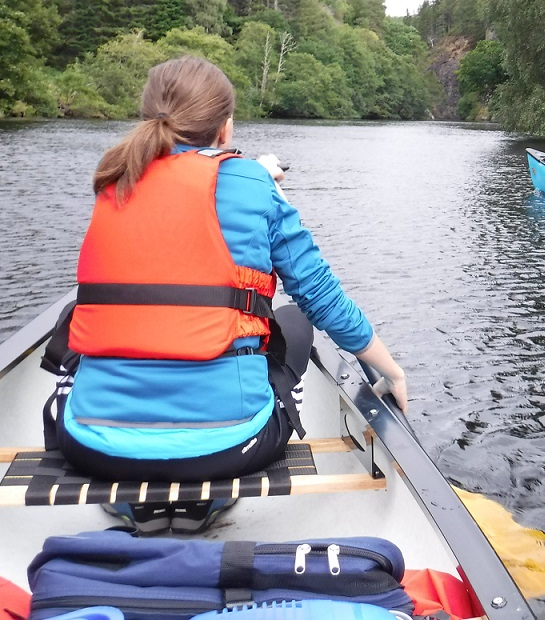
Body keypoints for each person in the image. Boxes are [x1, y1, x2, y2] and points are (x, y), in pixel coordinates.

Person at [56, 56, 408, 532]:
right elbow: (320, 295)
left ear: (149, 121)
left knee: (78, 318)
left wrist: (252, 176)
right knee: (294, 322)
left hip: (93, 448)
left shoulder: (115, 178)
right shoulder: (253, 184)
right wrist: (390, 371)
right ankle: (207, 502)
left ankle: (131, 502)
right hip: (228, 449)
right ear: (225, 130)